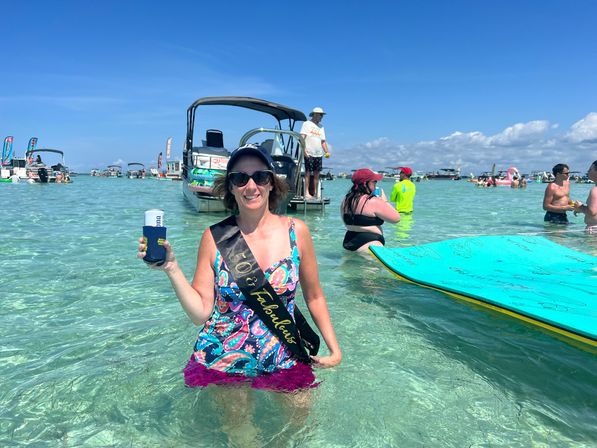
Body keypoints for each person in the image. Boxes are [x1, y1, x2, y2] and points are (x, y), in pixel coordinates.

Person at [138, 144, 341, 436]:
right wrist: (172, 268)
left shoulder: (298, 231)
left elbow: (314, 296)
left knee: (299, 426)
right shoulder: (214, 237)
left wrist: (334, 348)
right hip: (227, 353)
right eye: (239, 179)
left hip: (282, 350)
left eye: (260, 177)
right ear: (230, 188)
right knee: (240, 432)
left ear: (272, 183)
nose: (251, 186)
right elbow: (200, 313)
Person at [341, 168, 401, 252]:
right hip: (370, 244)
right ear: (365, 183)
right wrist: (384, 201)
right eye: (374, 181)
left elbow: (345, 221)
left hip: (348, 241)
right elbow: (396, 218)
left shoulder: (346, 200)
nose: (376, 184)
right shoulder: (373, 201)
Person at [300, 107, 330, 199]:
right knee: (308, 173)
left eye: (322, 115)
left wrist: (326, 151)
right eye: (320, 115)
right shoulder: (306, 124)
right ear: (315, 114)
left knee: (317, 174)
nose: (321, 117)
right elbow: (301, 138)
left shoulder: (321, 127)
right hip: (309, 152)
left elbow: (323, 141)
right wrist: (304, 150)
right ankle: (306, 193)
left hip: (319, 154)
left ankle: (316, 193)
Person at [573, 160, 597, 234]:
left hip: (594, 229)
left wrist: (580, 206)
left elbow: (592, 212)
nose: (588, 171)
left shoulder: (595, 190)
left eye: (590, 169)